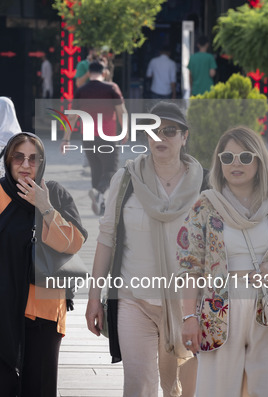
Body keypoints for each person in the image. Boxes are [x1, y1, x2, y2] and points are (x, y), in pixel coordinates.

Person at [178, 126, 268, 396]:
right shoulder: (204, 206)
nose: (235, 164)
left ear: (259, 161)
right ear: (219, 163)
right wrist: (189, 317)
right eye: (227, 158)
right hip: (219, 311)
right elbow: (189, 266)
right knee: (216, 390)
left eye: (244, 157)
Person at [0, 132, 87, 396]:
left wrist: (45, 207)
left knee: (39, 388)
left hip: (43, 311)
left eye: (34, 159)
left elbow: (72, 243)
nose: (26, 165)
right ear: (9, 160)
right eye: (19, 157)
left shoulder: (55, 194)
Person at [85, 102, 205, 396]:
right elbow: (106, 238)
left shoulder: (205, 185)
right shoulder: (126, 178)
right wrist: (94, 297)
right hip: (133, 299)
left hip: (189, 305)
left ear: (184, 136)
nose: (160, 136)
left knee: (182, 389)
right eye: (153, 130)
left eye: (170, 130)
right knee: (138, 385)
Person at [62, 60, 127, 216]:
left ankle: (100, 203)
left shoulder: (81, 90)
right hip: (108, 136)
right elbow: (122, 111)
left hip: (88, 136)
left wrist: (66, 139)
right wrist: (125, 131)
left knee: (96, 169)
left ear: (89, 73)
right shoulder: (112, 88)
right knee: (111, 170)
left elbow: (72, 117)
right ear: (104, 73)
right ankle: (98, 193)